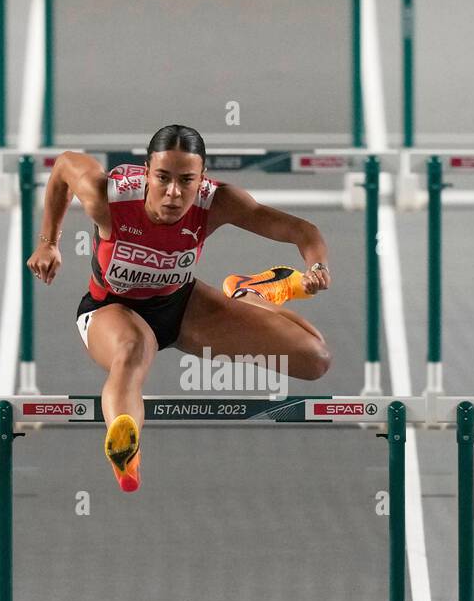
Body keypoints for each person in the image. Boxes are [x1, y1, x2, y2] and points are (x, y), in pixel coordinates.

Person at [27, 125, 332, 491]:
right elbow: (63, 166)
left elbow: (303, 231)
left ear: (202, 179)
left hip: (183, 305)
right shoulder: (106, 196)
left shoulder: (217, 201)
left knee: (314, 360)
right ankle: (126, 447)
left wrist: (317, 267)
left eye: (186, 180)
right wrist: (48, 243)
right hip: (110, 308)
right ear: (145, 172)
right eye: (162, 178)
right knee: (133, 349)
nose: (173, 193)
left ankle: (251, 292)